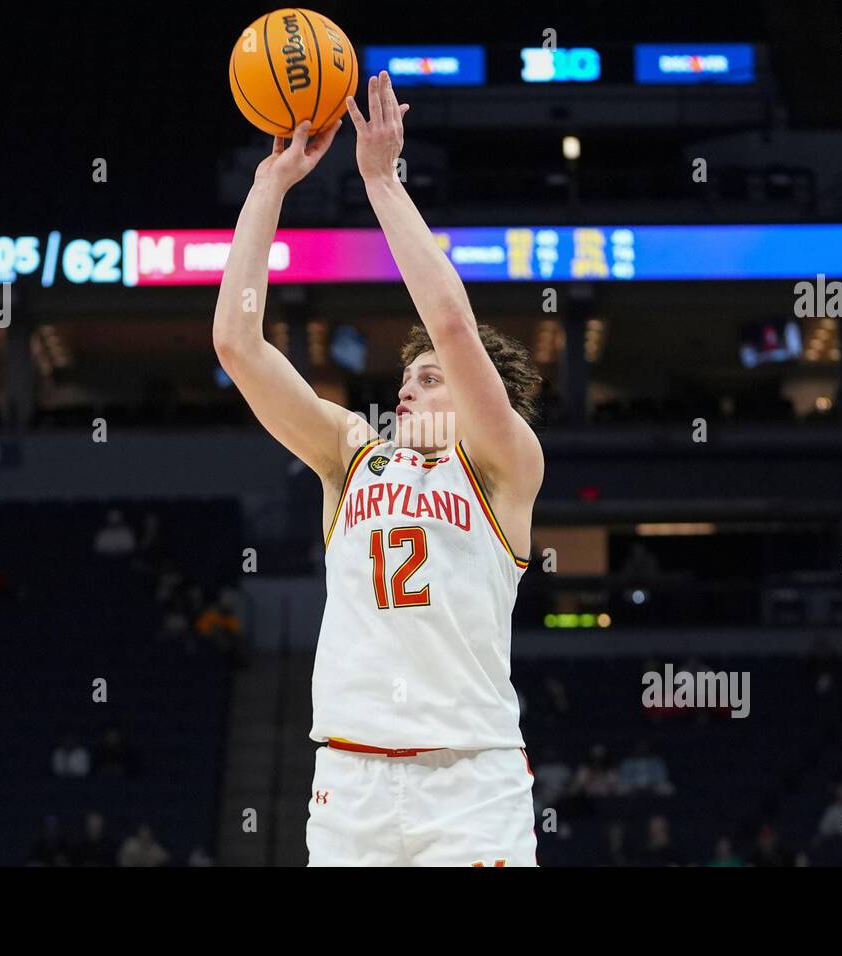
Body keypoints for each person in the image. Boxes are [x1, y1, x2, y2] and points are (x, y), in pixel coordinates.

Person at [214, 71, 544, 867]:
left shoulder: (504, 466)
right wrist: (269, 187)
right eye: (407, 377)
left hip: (470, 781)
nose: (408, 387)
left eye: (428, 379)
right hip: (349, 784)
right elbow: (238, 345)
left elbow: (455, 328)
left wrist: (381, 181)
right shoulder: (351, 454)